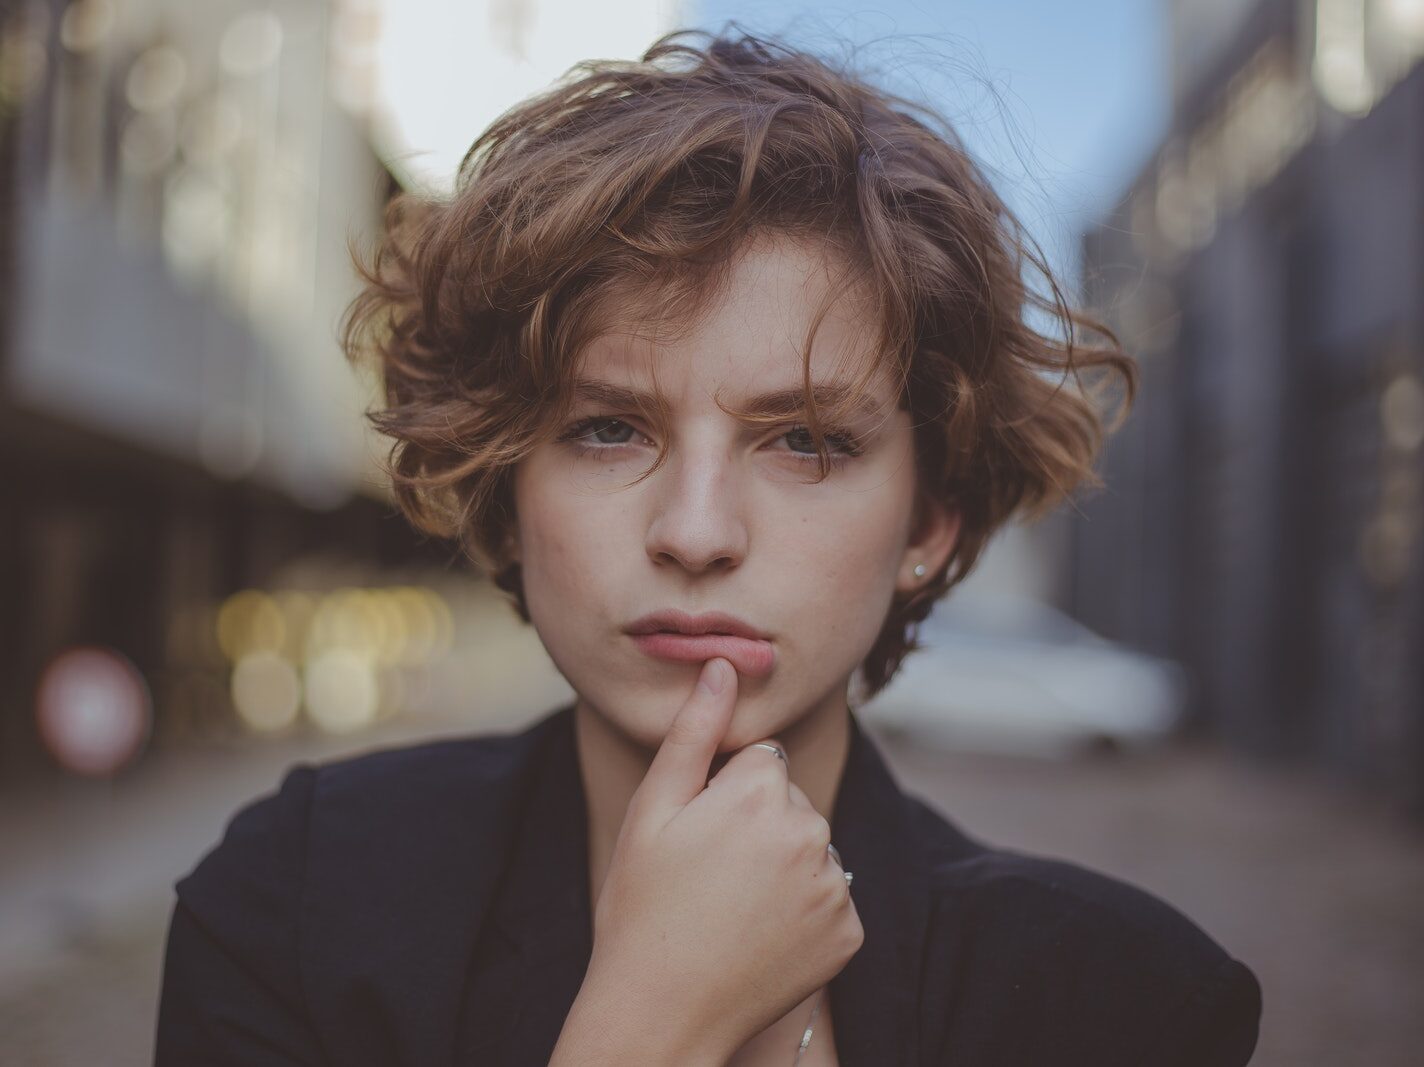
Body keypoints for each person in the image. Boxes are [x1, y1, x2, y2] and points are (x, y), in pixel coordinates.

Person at [154, 27, 1262, 1067]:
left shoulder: (1122, 1004)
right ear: (501, 484)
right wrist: (649, 1023)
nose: (693, 531)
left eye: (807, 442)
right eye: (607, 428)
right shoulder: (295, 900)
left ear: (930, 521)